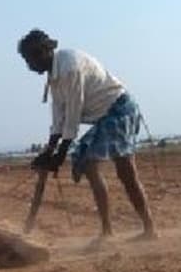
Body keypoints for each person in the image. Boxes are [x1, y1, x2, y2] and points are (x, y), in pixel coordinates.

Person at [18, 29, 157, 243]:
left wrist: (59, 156)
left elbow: (72, 115)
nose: (29, 66)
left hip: (119, 109)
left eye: (30, 60)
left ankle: (117, 232)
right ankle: (129, 230)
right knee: (111, 169)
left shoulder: (69, 69)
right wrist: (49, 152)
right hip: (106, 116)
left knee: (107, 168)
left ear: (43, 53)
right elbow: (59, 118)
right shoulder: (54, 77)